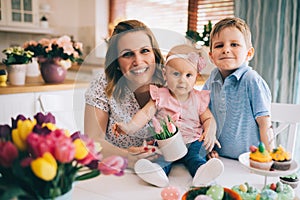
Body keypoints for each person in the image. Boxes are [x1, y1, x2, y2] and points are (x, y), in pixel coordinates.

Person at [113, 44, 224, 188]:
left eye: (188, 75)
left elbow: (208, 118)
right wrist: (128, 127)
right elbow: (145, 114)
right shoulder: (160, 96)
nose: (182, 80)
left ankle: (201, 173)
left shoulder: (198, 98)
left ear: (195, 78)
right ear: (165, 74)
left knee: (196, 157)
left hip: (192, 141)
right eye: (176, 74)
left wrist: (210, 131)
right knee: (161, 158)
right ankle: (157, 173)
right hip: (166, 144)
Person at [84, 19, 166, 169]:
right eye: (127, 54)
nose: (138, 61)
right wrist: (127, 156)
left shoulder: (172, 80)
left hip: (169, 171)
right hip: (117, 172)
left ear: (155, 53)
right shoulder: (103, 84)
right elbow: (92, 141)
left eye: (145, 51)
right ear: (116, 62)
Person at [203, 17, 274, 159]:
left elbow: (265, 125)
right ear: (211, 56)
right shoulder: (212, 79)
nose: (226, 50)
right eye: (219, 46)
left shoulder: (251, 80)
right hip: (220, 158)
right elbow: (201, 111)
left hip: (249, 161)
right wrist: (207, 144)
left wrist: (268, 159)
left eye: (234, 44)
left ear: (249, 53)